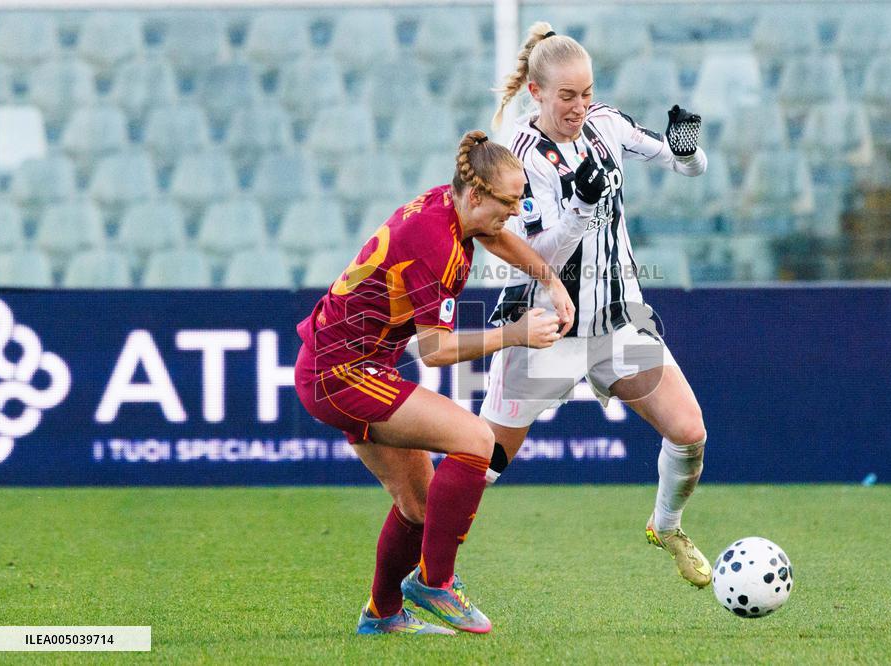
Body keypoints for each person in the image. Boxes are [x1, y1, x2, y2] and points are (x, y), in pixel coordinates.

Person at [294, 130, 576, 635]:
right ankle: (434, 583)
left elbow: (493, 235)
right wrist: (515, 334)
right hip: (340, 373)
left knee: (420, 506)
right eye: (509, 202)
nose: (515, 212)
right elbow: (434, 350)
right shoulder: (435, 243)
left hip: (346, 364)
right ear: (476, 195)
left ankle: (382, 614)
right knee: (476, 441)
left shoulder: (449, 208)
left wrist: (550, 279)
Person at [481, 22, 714, 588]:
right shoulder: (519, 155)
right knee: (482, 467)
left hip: (619, 319)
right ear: (536, 93)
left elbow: (687, 166)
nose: (580, 106)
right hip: (545, 326)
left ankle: (667, 525)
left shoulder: (607, 124)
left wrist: (688, 150)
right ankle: (425, 571)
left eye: (586, 92)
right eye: (567, 96)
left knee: (689, 431)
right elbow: (536, 253)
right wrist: (582, 204)